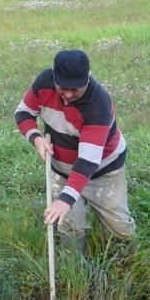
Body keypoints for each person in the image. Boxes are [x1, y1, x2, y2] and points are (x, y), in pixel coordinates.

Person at [14, 49, 135, 251]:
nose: (68, 94)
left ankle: (132, 262)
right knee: (70, 226)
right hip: (62, 169)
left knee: (119, 227)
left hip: (104, 171)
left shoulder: (99, 103)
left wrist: (66, 199)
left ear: (87, 78)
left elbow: (87, 162)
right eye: (63, 88)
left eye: (75, 89)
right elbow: (23, 113)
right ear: (54, 76)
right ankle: (73, 271)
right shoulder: (44, 82)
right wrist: (35, 138)